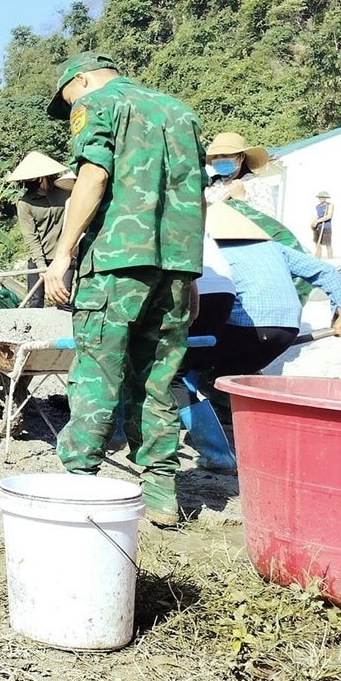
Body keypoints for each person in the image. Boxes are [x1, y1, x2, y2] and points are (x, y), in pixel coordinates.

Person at [42, 52, 205, 527]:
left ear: (83, 78)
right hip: (174, 266)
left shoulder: (99, 103)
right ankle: (161, 496)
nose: (71, 105)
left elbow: (93, 176)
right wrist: (190, 275)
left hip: (116, 262)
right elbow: (195, 197)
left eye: (69, 96)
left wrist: (63, 254)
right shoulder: (181, 112)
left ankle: (80, 485)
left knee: (97, 372)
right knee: (158, 379)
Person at [185, 202, 341, 387]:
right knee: (233, 376)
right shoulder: (274, 248)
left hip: (245, 328)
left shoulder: (212, 252)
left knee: (185, 370)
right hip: (287, 330)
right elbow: (326, 271)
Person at [7, 151, 75, 303]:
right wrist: (42, 267)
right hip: (40, 258)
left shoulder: (65, 192)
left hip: (64, 256)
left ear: (43, 178)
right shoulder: (25, 204)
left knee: (63, 299)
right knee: (35, 300)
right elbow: (31, 238)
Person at [203, 131, 277, 218]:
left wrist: (240, 200)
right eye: (215, 157)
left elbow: (267, 221)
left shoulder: (256, 184)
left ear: (241, 157)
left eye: (225, 155)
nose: (219, 160)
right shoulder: (210, 185)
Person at [312, 191, 334, 259]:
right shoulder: (317, 206)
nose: (321, 198)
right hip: (318, 227)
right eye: (320, 197)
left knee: (328, 244)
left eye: (322, 197)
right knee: (317, 244)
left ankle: (330, 260)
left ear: (325, 198)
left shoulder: (329, 205)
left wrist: (318, 221)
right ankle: (318, 259)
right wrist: (313, 223)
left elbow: (329, 216)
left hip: (326, 227)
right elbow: (317, 216)